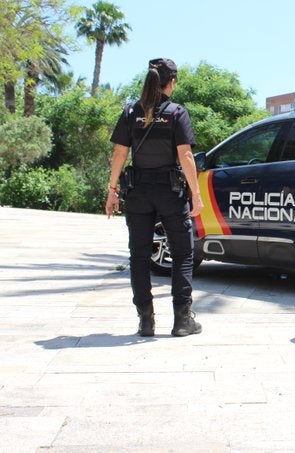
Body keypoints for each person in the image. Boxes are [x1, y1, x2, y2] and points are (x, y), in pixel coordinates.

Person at [105, 58, 204, 337]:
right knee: (183, 255)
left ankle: (145, 321)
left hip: (137, 192)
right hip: (170, 193)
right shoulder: (176, 113)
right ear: (171, 82)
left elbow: (120, 155)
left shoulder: (130, 112)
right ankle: (183, 320)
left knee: (138, 257)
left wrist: (112, 190)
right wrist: (196, 195)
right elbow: (185, 156)